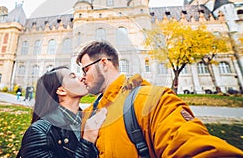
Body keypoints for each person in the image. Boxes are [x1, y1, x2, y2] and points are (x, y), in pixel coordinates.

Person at [76, 41, 243, 158]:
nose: (82, 77)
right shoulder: (89, 113)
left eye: (85, 70)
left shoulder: (152, 100)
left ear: (104, 63)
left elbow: (192, 145)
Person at [17, 66, 107, 158]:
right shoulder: (40, 132)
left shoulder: (87, 119)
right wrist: (87, 141)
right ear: (61, 90)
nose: (82, 77)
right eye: (73, 77)